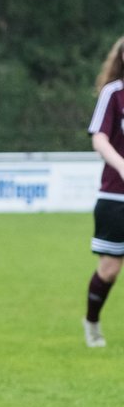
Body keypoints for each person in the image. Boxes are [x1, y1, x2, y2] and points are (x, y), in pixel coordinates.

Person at [84, 35, 124, 348]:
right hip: (115, 197)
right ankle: (92, 323)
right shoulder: (114, 93)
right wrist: (122, 166)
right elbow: (99, 138)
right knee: (110, 270)